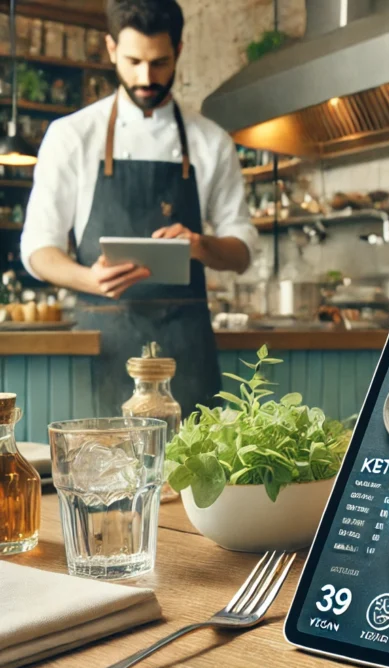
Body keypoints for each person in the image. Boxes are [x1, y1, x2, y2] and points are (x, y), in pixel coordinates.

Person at [20, 0, 257, 418]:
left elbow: (241, 252)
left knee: (194, 478)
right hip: (104, 344)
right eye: (133, 61)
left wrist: (200, 244)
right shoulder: (71, 136)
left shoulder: (211, 141)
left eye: (160, 62)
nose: (146, 77)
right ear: (111, 49)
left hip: (187, 348)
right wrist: (89, 279)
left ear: (179, 50)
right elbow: (39, 249)